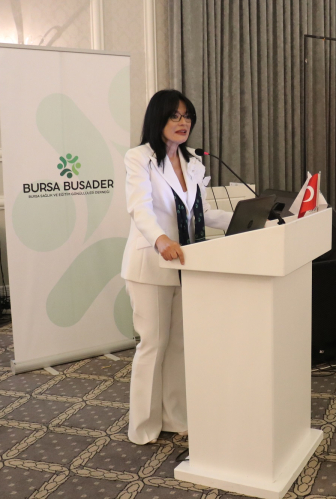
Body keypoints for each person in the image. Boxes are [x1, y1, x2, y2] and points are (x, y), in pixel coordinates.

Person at [121, 89, 232, 445]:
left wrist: (246, 219)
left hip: (187, 264)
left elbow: (200, 213)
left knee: (179, 345)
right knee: (154, 344)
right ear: (159, 118)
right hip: (151, 263)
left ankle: (174, 417)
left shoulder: (193, 161)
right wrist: (161, 239)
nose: (183, 122)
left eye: (187, 116)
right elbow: (140, 208)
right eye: (175, 116)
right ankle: (143, 425)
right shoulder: (139, 158)